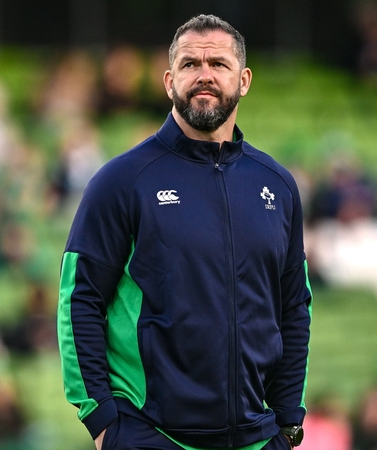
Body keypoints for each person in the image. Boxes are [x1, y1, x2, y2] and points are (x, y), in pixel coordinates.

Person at [57, 14, 312, 450]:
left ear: (244, 80)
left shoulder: (278, 185)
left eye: (219, 64)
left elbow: (294, 307)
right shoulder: (122, 181)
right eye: (190, 64)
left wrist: (288, 424)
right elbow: (79, 298)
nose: (204, 75)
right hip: (150, 435)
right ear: (169, 81)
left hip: (257, 438)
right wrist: (102, 420)